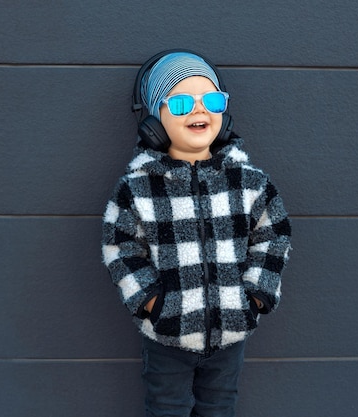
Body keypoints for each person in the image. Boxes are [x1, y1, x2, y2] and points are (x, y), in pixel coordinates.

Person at [101, 50, 292, 417]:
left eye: (213, 100)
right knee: (166, 407)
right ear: (155, 120)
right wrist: (152, 303)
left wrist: (254, 297)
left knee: (220, 407)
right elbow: (120, 247)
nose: (199, 110)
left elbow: (274, 234)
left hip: (231, 331)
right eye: (183, 101)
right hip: (167, 333)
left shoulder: (248, 182)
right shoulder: (138, 188)